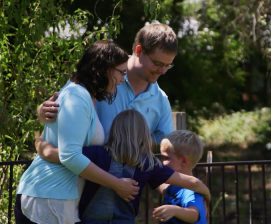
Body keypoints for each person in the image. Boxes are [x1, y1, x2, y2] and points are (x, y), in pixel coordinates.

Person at [15, 40, 140, 224]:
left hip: (58, 196)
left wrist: (43, 145)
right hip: (50, 197)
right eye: (121, 73)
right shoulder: (77, 96)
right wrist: (117, 184)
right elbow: (70, 156)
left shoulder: (85, 95)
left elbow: (56, 143)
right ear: (105, 69)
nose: (123, 79)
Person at [37, 109, 210, 223]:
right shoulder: (148, 163)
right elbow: (192, 183)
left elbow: (52, 154)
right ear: (144, 135)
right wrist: (207, 195)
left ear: (114, 131)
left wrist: (38, 141)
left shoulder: (97, 154)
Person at [37, 23, 177, 143]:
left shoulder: (161, 101)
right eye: (157, 63)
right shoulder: (100, 73)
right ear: (138, 51)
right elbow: (59, 109)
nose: (163, 71)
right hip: (80, 169)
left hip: (126, 175)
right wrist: (43, 112)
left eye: (168, 65)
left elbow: (169, 149)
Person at [153, 130, 207, 224]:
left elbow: (194, 214)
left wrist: (174, 210)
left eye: (166, 158)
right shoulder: (175, 186)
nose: (162, 163)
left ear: (184, 161)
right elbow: (163, 188)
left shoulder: (190, 190)